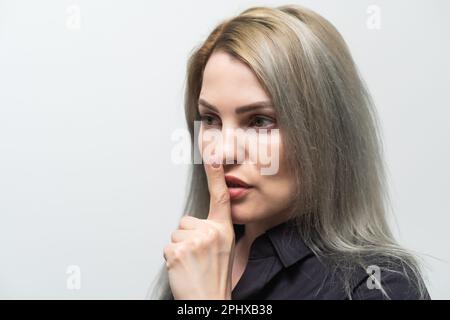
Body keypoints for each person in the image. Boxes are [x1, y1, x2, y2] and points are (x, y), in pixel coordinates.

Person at [149, 4, 430, 300]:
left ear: (325, 132)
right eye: (210, 119)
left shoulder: (381, 286)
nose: (223, 151)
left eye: (259, 121)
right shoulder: (192, 257)